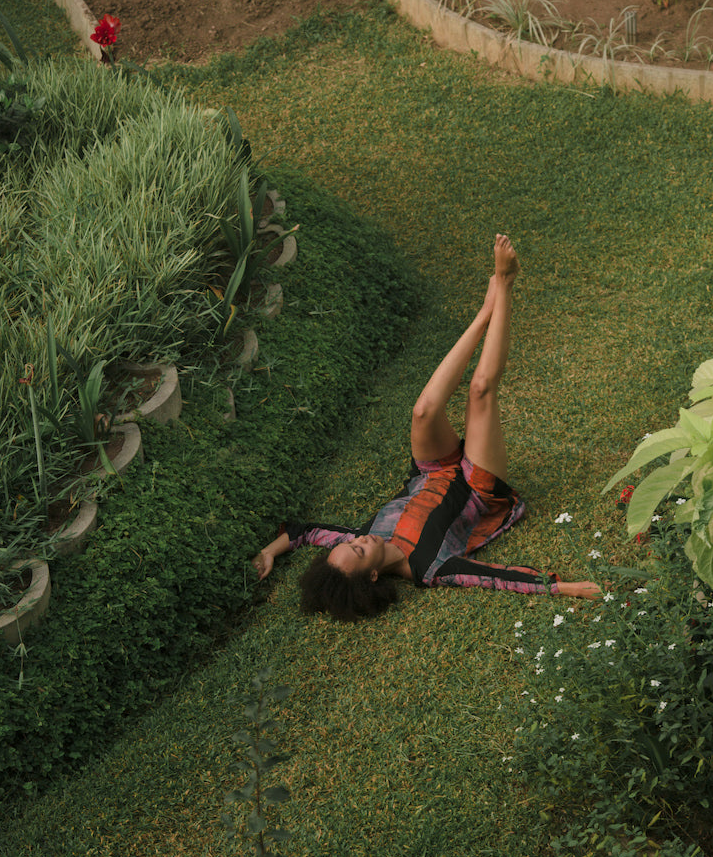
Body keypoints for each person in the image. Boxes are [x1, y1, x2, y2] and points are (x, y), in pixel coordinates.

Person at [251, 235, 601, 621]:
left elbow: (305, 532)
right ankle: (504, 285)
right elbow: (491, 578)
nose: (361, 539)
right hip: (479, 488)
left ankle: (485, 313)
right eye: (361, 550)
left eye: (352, 543)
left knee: (422, 413)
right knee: (480, 391)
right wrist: (562, 588)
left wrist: (269, 551)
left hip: (432, 471)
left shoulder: (352, 541)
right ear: (371, 575)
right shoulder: (429, 567)